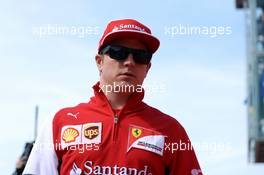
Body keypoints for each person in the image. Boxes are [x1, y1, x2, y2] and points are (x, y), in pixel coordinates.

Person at [23, 19, 203, 175]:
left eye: (140, 56)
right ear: (99, 62)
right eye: (118, 52)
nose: (130, 62)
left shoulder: (170, 130)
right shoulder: (59, 122)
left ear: (147, 68)